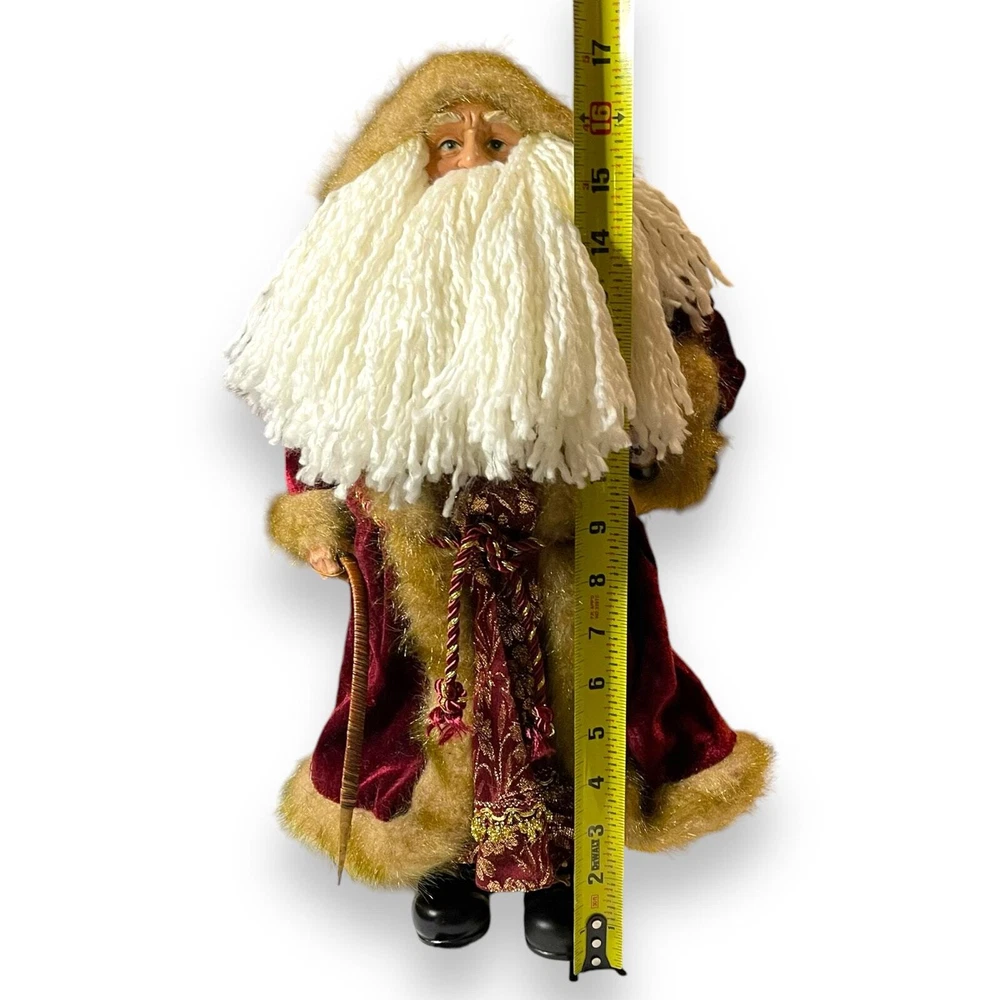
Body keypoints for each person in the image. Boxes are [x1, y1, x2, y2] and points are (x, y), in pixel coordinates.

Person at [227, 50, 771, 960]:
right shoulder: (366, 284)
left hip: (565, 537)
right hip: (419, 546)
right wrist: (313, 510)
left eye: (498, 139)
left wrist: (669, 402)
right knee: (424, 707)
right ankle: (447, 858)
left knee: (578, 698)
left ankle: (562, 862)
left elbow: (698, 348)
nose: (473, 159)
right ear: (405, 164)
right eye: (446, 143)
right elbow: (315, 415)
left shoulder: (599, 264)